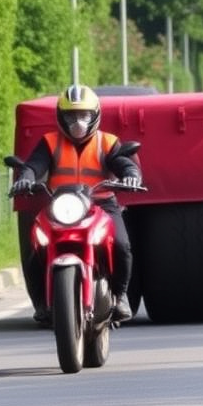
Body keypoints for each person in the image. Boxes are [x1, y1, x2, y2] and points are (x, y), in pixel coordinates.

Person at [11, 84, 142, 323]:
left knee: (122, 245)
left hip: (102, 204)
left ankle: (121, 297)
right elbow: (34, 165)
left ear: (95, 116)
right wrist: (26, 179)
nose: (78, 122)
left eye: (83, 115)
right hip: (60, 206)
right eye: (71, 115)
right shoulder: (50, 142)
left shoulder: (107, 142)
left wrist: (131, 175)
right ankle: (41, 302)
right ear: (61, 116)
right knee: (34, 247)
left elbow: (124, 163)